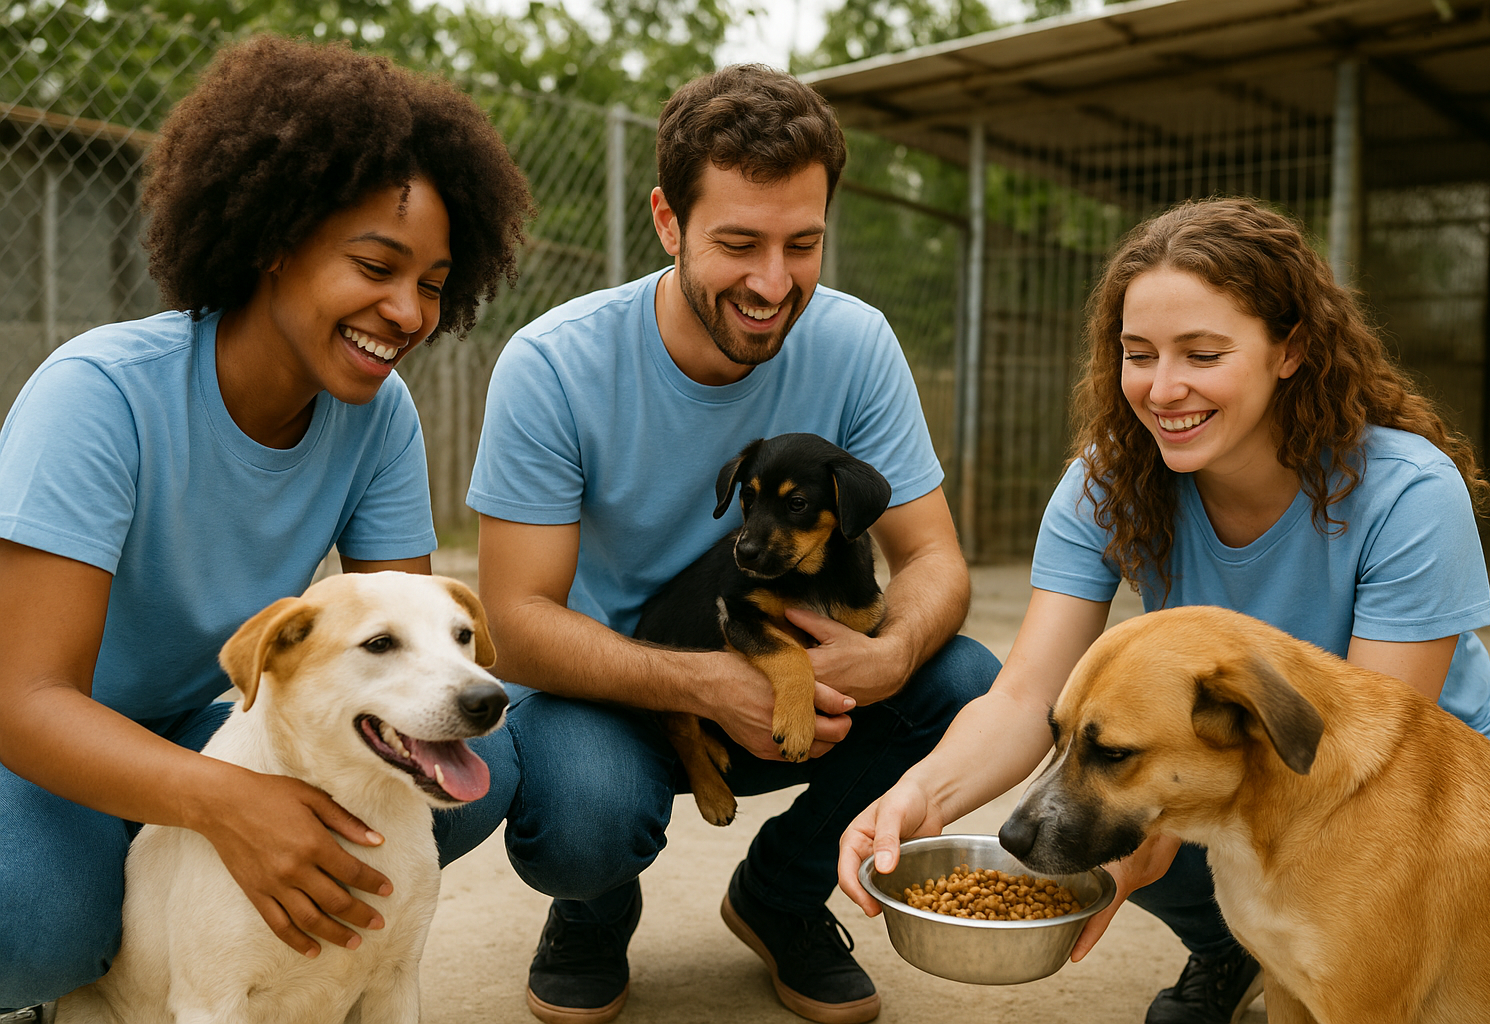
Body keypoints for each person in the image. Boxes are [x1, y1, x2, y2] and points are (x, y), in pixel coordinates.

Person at [836, 197, 1490, 1024]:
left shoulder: (1405, 493)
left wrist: (1144, 842)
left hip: (1392, 805)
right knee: (1118, 807)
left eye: (1203, 353)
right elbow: (1026, 698)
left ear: (1291, 350)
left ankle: (1273, 953)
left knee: (1148, 807)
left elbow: (1352, 757)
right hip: (1225, 772)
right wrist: (918, 801)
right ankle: (1241, 952)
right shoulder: (1107, 483)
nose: (1163, 390)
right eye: (1138, 355)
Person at [0, 35, 533, 1018]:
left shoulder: (378, 414)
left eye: (433, 280)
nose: (409, 310)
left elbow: (402, 655)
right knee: (41, 923)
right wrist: (231, 806)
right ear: (275, 240)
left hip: (217, 722)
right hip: (48, 746)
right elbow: (25, 696)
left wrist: (248, 795)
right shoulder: (98, 395)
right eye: (377, 264)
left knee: (469, 769)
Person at [468, 64, 1000, 1024]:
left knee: (962, 680)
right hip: (611, 702)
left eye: (804, 244)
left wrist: (889, 654)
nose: (773, 282)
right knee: (585, 815)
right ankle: (593, 908)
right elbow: (512, 625)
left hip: (810, 687)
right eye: (739, 243)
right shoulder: (553, 364)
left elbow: (934, 560)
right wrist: (715, 683)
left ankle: (781, 896)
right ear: (669, 223)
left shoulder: (857, 343)